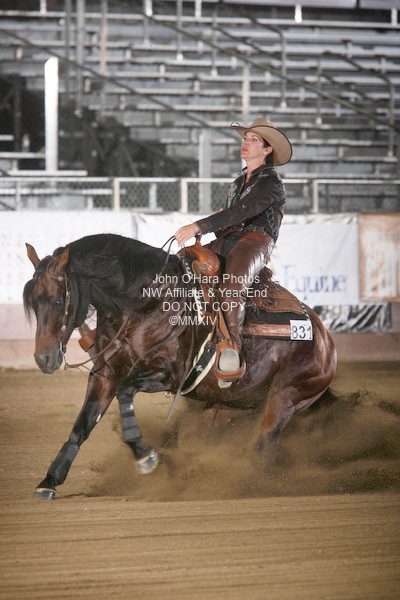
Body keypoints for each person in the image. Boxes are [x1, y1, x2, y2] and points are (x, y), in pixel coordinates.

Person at [174, 117, 292, 381]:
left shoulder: (271, 182)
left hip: (255, 243)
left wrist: (199, 226)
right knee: (180, 263)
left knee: (232, 286)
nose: (245, 143)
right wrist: (216, 225)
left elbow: (241, 212)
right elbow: (232, 217)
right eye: (245, 138)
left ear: (267, 149)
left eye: (253, 139)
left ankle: (231, 347)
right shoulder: (239, 183)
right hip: (230, 240)